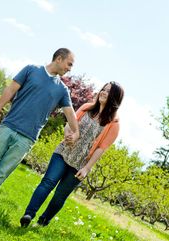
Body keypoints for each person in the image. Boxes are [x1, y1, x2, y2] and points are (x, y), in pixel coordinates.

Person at [0, 48, 79, 209]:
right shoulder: (31, 70)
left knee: (2, 172)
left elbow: (70, 113)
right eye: (69, 64)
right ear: (59, 59)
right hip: (9, 126)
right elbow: (10, 89)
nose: (70, 69)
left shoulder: (62, 90)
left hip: (27, 138)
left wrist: (76, 132)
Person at [20, 81, 124, 227]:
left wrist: (87, 168)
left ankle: (43, 221)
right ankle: (29, 214)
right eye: (103, 89)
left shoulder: (114, 124)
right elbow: (69, 123)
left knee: (60, 195)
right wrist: (68, 134)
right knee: (47, 182)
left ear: (115, 97)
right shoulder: (87, 108)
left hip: (80, 163)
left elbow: (101, 148)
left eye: (108, 91)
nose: (103, 92)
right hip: (64, 152)